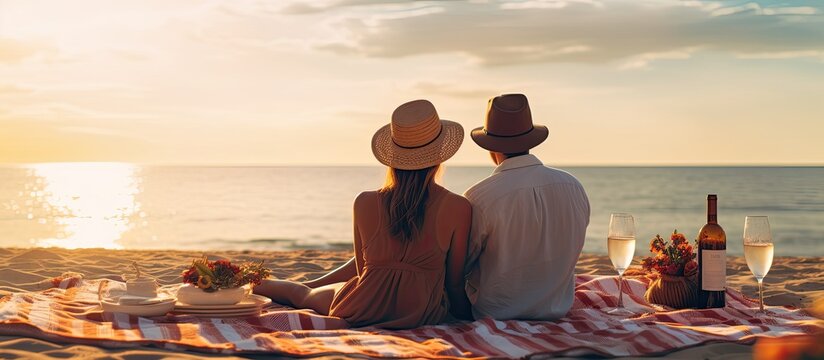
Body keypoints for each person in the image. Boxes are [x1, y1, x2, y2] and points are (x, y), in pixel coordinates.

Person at [254, 99, 473, 328]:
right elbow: (454, 284)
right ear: (439, 154)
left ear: (392, 157)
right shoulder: (459, 207)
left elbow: (362, 269)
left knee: (302, 295)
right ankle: (254, 281)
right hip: (421, 312)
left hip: (363, 306)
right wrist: (466, 317)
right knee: (305, 292)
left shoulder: (365, 201)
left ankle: (250, 282)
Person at [463, 93, 590, 321]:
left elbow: (464, 263)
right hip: (558, 310)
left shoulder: (480, 197)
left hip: (495, 314)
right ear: (531, 140)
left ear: (491, 147)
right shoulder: (573, 186)